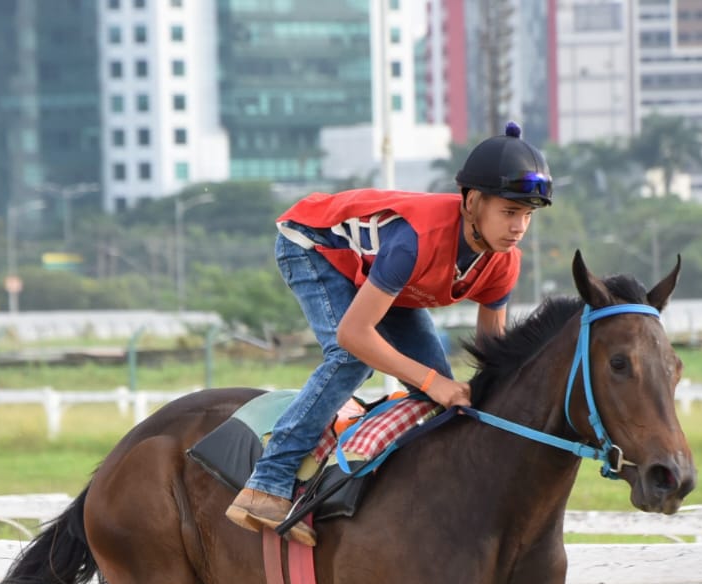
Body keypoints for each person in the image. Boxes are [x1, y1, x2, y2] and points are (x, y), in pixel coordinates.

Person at [224, 121, 554, 546]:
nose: (519, 227)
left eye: (527, 215)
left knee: (438, 399)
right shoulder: (416, 241)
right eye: (509, 213)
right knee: (356, 360)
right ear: (472, 202)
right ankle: (266, 483)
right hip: (311, 245)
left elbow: (491, 357)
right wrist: (436, 382)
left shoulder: (504, 263)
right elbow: (354, 335)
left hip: (382, 279)